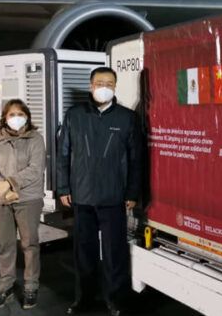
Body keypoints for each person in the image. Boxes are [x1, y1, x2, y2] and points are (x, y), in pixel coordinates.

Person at [57, 66, 142, 316]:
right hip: (81, 196)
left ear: (115, 87)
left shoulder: (127, 118)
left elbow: (136, 158)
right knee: (84, 252)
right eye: (99, 83)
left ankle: (115, 300)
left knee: (115, 253)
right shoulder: (74, 115)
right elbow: (63, 155)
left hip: (114, 196)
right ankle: (83, 299)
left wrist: (132, 192)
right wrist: (63, 187)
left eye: (109, 83)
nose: (104, 87)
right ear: (91, 85)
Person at [0, 99, 46, 310]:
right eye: (11, 114)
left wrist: (10, 184)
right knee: (6, 245)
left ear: (27, 117)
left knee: (30, 244)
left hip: (28, 198)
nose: (16, 118)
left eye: (20, 114)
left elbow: (35, 169)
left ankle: (31, 287)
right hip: (0, 200)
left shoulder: (35, 139)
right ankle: (5, 287)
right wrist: (3, 191)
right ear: (4, 117)